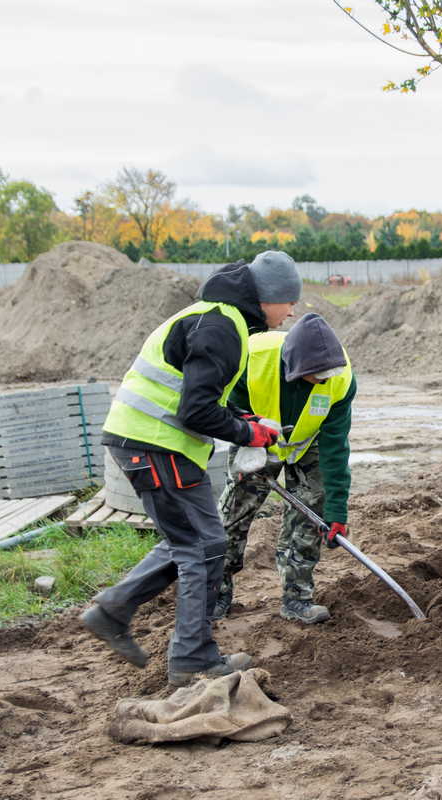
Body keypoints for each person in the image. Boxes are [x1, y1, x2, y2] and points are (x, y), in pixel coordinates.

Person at [79, 250, 300, 688]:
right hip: (155, 444)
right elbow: (196, 410)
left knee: (191, 540)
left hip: (149, 441)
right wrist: (247, 436)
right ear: (269, 297)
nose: (292, 311)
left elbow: (208, 394)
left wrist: (249, 421)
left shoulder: (221, 318)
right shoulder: (222, 326)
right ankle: (193, 660)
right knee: (205, 545)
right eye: (290, 301)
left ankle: (112, 610)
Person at [212, 312, 356, 624]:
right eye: (317, 376)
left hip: (307, 443)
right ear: (295, 367)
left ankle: (297, 597)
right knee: (234, 513)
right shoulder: (253, 358)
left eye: (329, 374)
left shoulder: (341, 380)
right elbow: (223, 406)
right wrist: (246, 436)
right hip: (255, 438)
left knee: (309, 515)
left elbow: (336, 448)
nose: (325, 380)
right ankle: (216, 590)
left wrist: (336, 511)